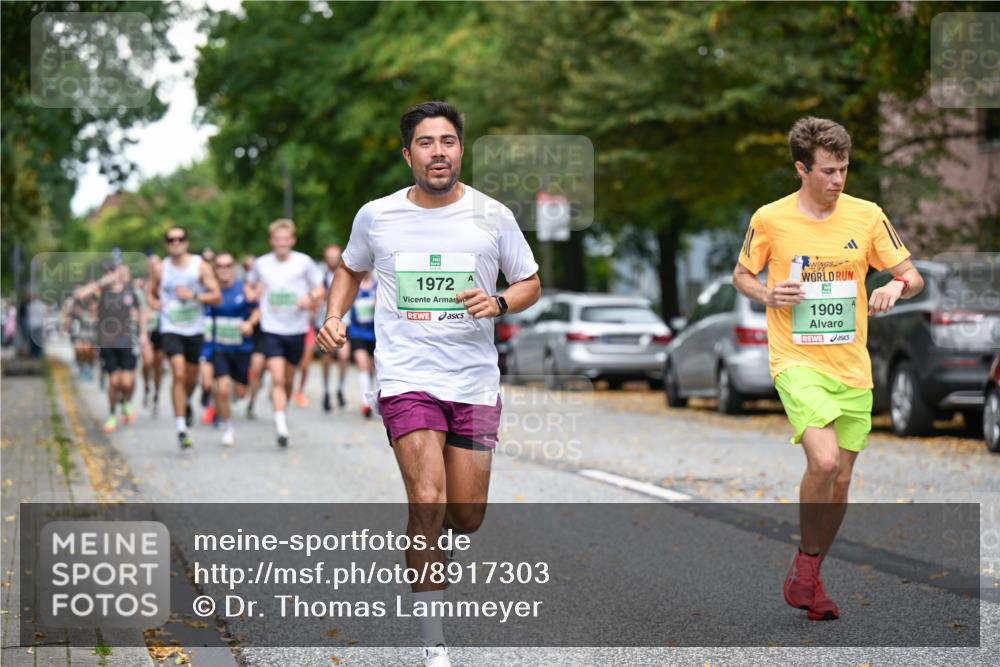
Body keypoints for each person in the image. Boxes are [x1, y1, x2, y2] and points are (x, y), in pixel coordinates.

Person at [317, 101, 540, 667]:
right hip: (406, 377)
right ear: (407, 153)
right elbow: (350, 266)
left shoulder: (494, 216)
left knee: (465, 515)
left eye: (447, 141)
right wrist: (334, 315)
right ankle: (433, 644)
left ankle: (431, 529)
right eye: (425, 142)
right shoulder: (378, 216)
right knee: (428, 498)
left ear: (461, 150)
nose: (438, 151)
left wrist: (498, 302)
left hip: (472, 381)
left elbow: (530, 282)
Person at [732, 116, 924, 622]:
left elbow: (912, 275)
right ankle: (809, 570)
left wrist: (893, 286)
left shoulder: (867, 216)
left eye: (844, 169)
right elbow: (742, 275)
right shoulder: (770, 219)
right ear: (802, 168)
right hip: (795, 360)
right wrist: (768, 293)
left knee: (840, 482)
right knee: (823, 463)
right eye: (828, 171)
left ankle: (808, 569)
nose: (838, 180)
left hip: (852, 367)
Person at [246, 219, 324, 447]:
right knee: (277, 377)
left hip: (297, 328)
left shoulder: (304, 262)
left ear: (292, 240)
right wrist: (252, 294)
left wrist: (309, 298)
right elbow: (249, 285)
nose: (281, 243)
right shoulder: (261, 264)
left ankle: (282, 409)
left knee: (289, 379)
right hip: (272, 328)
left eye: (285, 239)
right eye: (277, 239)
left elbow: (320, 288)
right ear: (272, 241)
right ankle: (281, 426)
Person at [148, 226, 222, 449]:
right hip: (171, 327)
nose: (176, 243)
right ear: (167, 244)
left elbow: (216, 295)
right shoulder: (161, 268)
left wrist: (194, 295)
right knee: (178, 373)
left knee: (191, 379)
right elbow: (150, 292)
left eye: (180, 239)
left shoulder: (199, 266)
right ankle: (181, 428)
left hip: (195, 329)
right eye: (171, 240)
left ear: (187, 242)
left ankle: (188, 401)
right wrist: (154, 303)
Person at [78, 264, 144, 432]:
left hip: (127, 341)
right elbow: (80, 295)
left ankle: (126, 402)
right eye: (109, 273)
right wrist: (102, 282)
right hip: (107, 343)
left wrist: (143, 333)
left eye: (115, 272)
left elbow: (142, 311)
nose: (114, 275)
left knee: (127, 382)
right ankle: (113, 415)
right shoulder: (100, 292)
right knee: (114, 382)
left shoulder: (130, 291)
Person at [208, 252, 259, 447]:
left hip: (241, 348)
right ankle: (227, 426)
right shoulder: (211, 291)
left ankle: (232, 396)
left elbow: (257, 310)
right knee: (222, 388)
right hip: (219, 346)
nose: (224, 269)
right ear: (215, 269)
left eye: (228, 265)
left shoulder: (243, 289)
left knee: (240, 392)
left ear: (233, 268)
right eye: (220, 266)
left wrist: (250, 324)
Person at [316, 244, 350, 412]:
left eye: (335, 257)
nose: (332, 260)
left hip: (345, 322)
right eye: (329, 257)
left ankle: (340, 389)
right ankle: (326, 390)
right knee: (326, 359)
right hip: (324, 323)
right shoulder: (321, 276)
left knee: (344, 356)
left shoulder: (347, 274)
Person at [346, 273, 377, 417]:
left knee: (372, 368)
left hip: (375, 333)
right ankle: (365, 403)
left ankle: (373, 398)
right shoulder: (353, 286)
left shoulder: (378, 285)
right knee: (362, 364)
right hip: (357, 333)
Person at [139, 255, 166, 414]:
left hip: (162, 330)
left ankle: (156, 395)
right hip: (149, 329)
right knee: (147, 362)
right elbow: (143, 310)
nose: (154, 267)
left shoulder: (167, 284)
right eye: (151, 265)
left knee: (158, 366)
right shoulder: (145, 286)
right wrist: (142, 332)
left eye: (157, 264)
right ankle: (146, 388)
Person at [242, 253, 267, 419]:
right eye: (248, 268)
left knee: (257, 367)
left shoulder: (267, 285)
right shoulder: (240, 286)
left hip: (261, 332)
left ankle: (251, 402)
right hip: (241, 331)